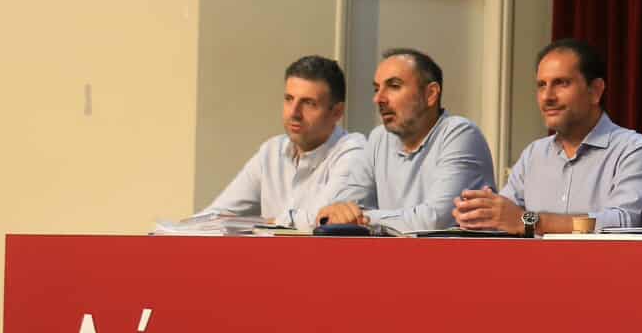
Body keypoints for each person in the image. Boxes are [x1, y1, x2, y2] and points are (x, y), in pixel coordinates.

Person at [452, 39, 642, 235]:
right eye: (542, 85)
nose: (547, 97)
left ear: (595, 91)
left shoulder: (632, 149)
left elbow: (624, 221)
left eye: (561, 83)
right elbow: (508, 219)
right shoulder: (533, 154)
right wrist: (480, 216)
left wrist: (531, 222)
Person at [317, 48, 494, 232]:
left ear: (430, 94)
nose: (378, 99)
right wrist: (339, 213)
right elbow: (340, 209)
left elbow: (434, 221)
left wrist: (362, 218)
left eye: (394, 86)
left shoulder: (460, 134)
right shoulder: (379, 138)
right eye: (376, 89)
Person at [202, 55, 367, 229]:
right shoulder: (271, 151)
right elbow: (215, 216)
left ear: (337, 112)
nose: (294, 113)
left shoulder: (354, 152)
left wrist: (268, 223)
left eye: (308, 103)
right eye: (289, 99)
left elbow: (323, 220)